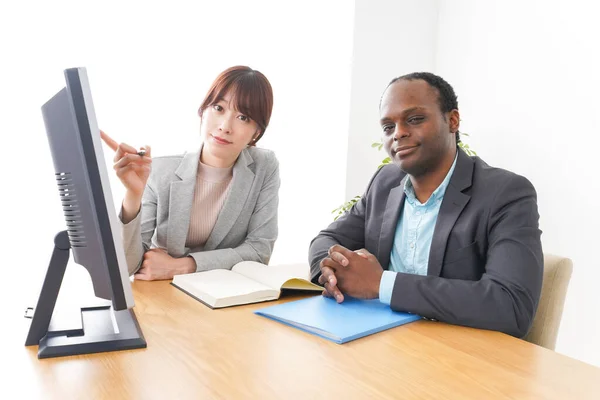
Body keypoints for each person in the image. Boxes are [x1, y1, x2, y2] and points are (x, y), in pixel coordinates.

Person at [309, 72, 543, 338]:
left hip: (460, 358)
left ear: (452, 120)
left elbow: (511, 306)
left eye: (415, 119)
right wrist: (329, 273)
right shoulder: (385, 182)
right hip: (382, 344)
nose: (398, 134)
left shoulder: (505, 193)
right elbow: (327, 240)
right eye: (388, 127)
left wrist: (381, 284)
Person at [101, 66, 279, 281]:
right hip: (163, 294)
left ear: (257, 132)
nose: (225, 126)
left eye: (243, 117)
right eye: (218, 108)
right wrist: (133, 195)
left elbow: (260, 250)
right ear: (203, 111)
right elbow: (127, 267)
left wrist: (183, 266)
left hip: (225, 295)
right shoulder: (160, 171)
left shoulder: (264, 166)